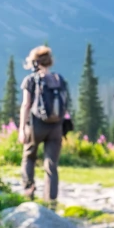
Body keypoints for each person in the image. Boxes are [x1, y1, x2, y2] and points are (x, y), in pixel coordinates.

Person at [19, 46, 69, 205]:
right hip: (56, 126)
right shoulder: (58, 79)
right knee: (52, 163)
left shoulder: (31, 80)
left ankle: (29, 190)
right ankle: (51, 198)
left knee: (29, 155)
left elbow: (26, 105)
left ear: (34, 62)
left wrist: (22, 128)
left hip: (36, 124)